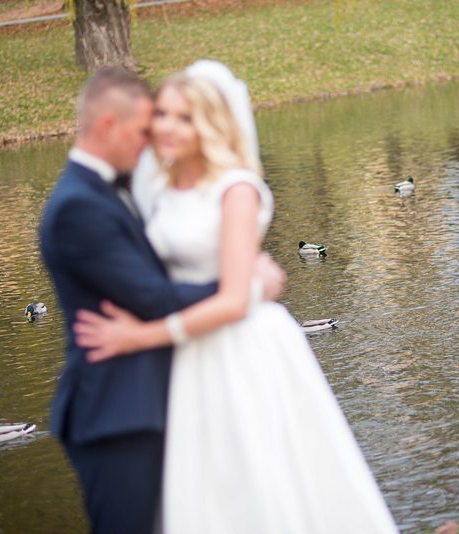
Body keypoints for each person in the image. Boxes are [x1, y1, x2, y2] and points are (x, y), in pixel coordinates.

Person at [73, 60, 397, 533]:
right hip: (185, 354)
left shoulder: (235, 189)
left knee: (257, 473)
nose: (168, 127)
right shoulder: (158, 188)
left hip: (237, 345)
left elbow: (232, 300)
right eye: (162, 114)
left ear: (210, 124)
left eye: (185, 118)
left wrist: (140, 337)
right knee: (200, 482)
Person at [38, 66, 285, 534]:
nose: (153, 139)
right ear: (109, 126)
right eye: (146, 128)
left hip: (167, 388)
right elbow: (154, 297)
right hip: (115, 408)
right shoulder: (78, 207)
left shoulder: (122, 189)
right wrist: (247, 285)